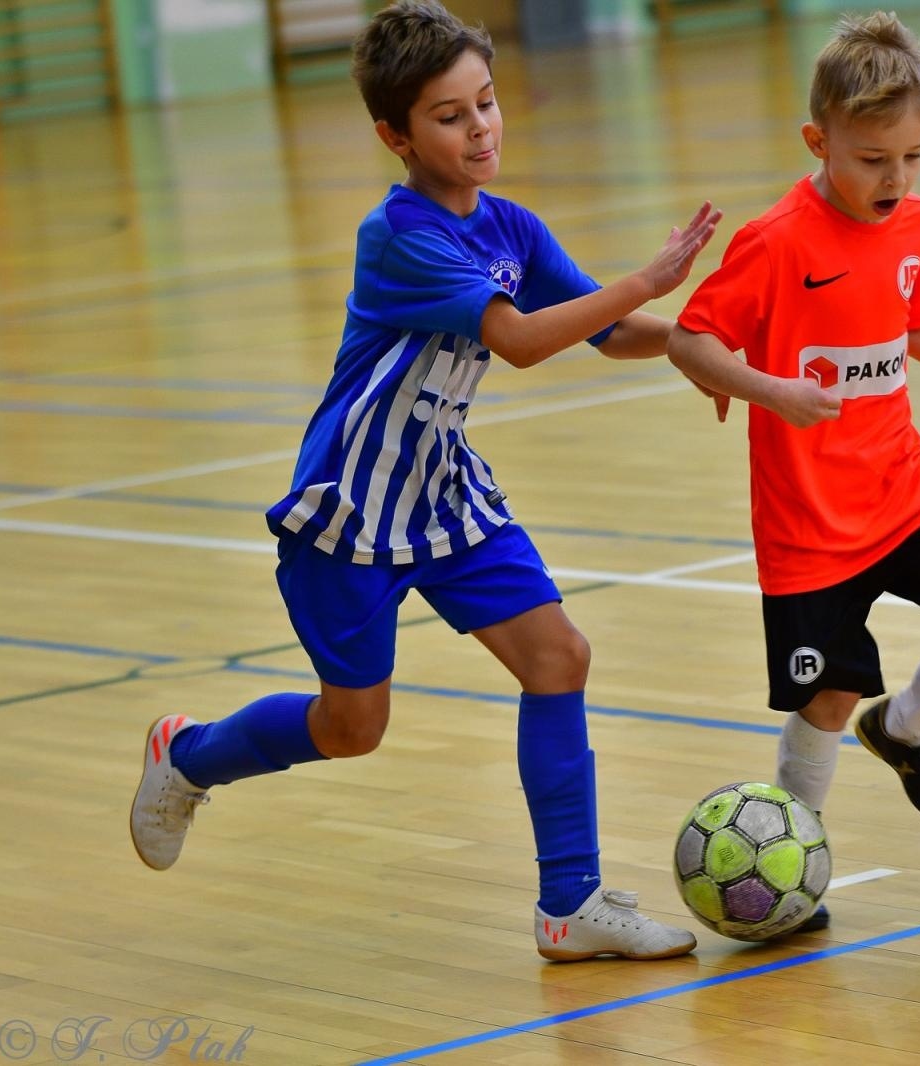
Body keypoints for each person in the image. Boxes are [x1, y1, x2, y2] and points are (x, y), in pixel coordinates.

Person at [128, 0, 723, 963]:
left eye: (486, 102)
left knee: (558, 658)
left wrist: (710, 346)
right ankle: (188, 755)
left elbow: (609, 329)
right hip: (353, 509)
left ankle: (569, 904)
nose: (480, 127)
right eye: (450, 116)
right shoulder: (400, 235)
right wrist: (649, 281)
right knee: (352, 726)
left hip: (445, 495)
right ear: (394, 136)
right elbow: (520, 339)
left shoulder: (510, 226)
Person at [667, 12, 920, 933]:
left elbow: (910, 324)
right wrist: (769, 391)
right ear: (818, 141)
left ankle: (906, 729)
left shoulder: (919, 225)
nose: (896, 179)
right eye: (873, 159)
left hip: (902, 490)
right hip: (807, 521)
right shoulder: (777, 240)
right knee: (827, 696)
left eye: (912, 157)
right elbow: (690, 340)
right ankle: (789, 883)